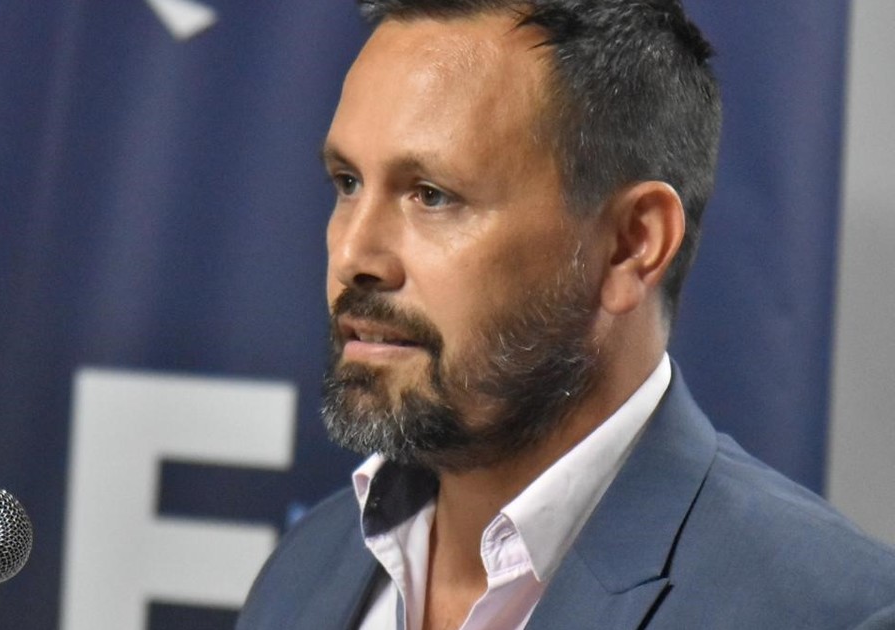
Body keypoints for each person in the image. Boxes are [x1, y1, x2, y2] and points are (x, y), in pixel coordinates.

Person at [236, 0, 895, 629]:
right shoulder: (307, 567)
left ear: (631, 246)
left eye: (432, 195)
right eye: (347, 183)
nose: (353, 255)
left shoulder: (829, 612)